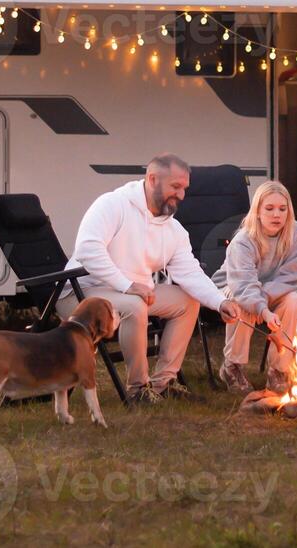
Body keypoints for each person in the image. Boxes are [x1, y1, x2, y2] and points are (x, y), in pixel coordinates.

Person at [64, 154, 241, 404]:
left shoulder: (173, 230)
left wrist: (219, 301)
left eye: (184, 188)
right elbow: (88, 250)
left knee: (187, 301)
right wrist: (127, 285)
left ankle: (162, 383)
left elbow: (189, 272)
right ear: (152, 179)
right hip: (81, 293)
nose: (181, 195)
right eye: (175, 187)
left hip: (129, 294)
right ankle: (138, 390)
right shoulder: (113, 204)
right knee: (135, 306)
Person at [213, 180, 297, 394]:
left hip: (272, 288)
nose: (276, 215)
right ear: (257, 211)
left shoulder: (294, 233)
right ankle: (232, 367)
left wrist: (263, 300)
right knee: (242, 304)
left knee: (292, 301)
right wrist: (261, 308)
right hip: (233, 286)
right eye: (269, 208)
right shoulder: (243, 241)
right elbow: (243, 287)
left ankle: (279, 369)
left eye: (282, 209)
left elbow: (290, 276)